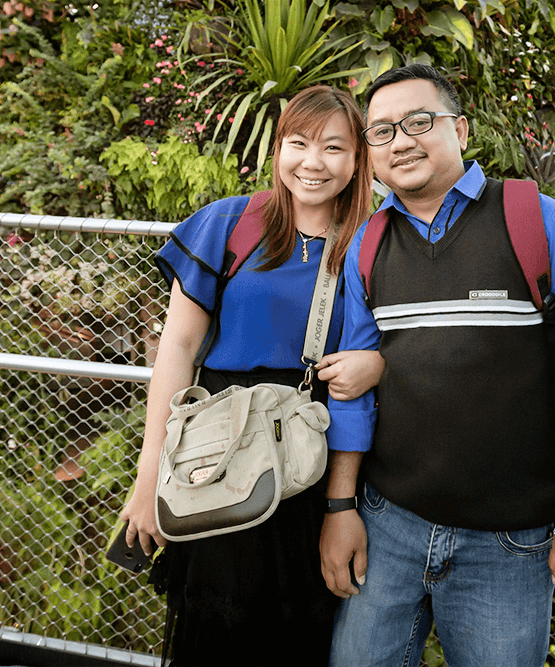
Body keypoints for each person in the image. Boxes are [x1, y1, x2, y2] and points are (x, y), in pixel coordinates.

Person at [317, 64, 555, 667]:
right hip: (388, 524)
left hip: (507, 543)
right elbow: (352, 392)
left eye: (419, 121)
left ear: (461, 130)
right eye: (382, 131)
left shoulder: (537, 222)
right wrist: (340, 508)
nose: (400, 141)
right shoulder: (368, 244)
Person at [119, 85, 380, 667]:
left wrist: (379, 363)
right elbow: (177, 349)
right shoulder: (230, 223)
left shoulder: (374, 241)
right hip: (220, 454)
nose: (313, 162)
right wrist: (148, 477)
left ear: (358, 158)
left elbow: (409, 343)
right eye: (299, 143)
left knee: (302, 632)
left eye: (334, 147)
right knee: (218, 628)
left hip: (314, 457)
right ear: (278, 148)